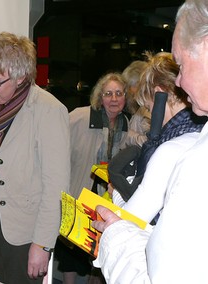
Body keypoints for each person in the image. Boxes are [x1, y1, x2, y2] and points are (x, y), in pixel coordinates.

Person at [92, 0, 208, 282]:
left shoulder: (183, 152)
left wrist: (114, 233)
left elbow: (163, 274)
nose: (180, 82)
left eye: (181, 65)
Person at [0, 32, 70, 284]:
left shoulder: (48, 110)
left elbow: (56, 188)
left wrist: (42, 244)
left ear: (21, 77)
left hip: (25, 233)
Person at [109, 52, 205, 218]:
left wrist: (117, 193)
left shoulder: (171, 146)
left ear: (159, 94)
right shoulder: (200, 132)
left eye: (148, 106)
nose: (151, 114)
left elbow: (135, 217)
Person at [55, 72, 129, 284]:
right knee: (70, 248)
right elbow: (58, 148)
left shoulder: (128, 125)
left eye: (118, 93)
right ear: (99, 96)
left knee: (98, 248)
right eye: (108, 93)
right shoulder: (80, 117)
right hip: (79, 189)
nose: (113, 99)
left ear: (125, 97)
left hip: (107, 197)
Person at [120, 60, 150, 149]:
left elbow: (151, 141)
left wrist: (126, 135)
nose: (128, 91)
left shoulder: (148, 109)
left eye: (130, 85)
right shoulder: (141, 107)